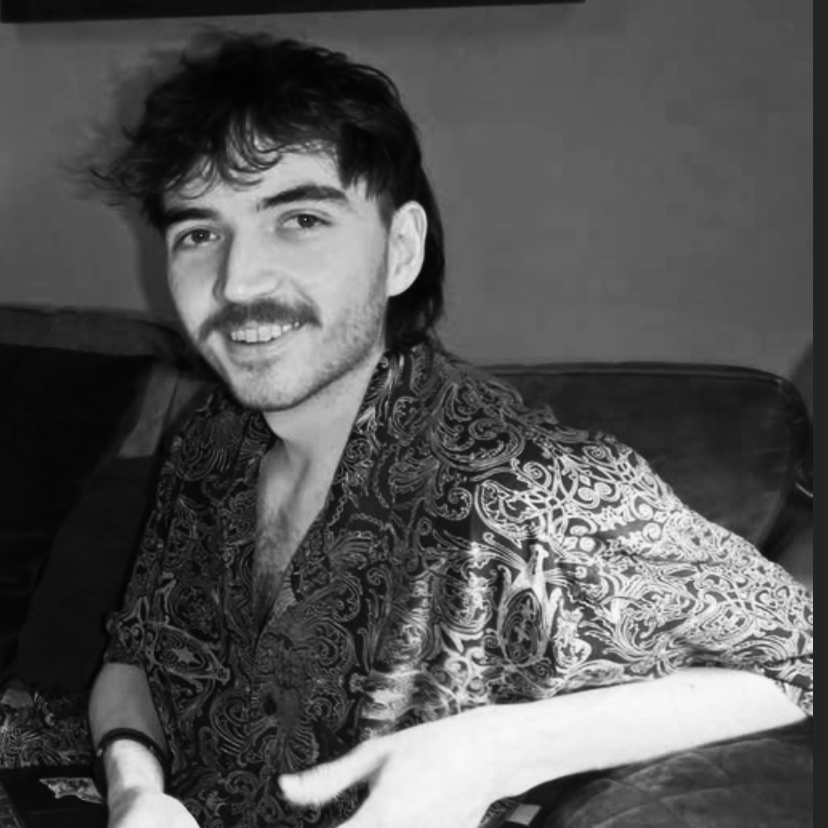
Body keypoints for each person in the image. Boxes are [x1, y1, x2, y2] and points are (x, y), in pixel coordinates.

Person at [87, 31, 813, 828]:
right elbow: (135, 656)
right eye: (199, 233)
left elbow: (802, 655)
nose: (237, 279)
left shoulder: (522, 487)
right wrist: (139, 794)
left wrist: (494, 748)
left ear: (400, 252)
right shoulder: (213, 437)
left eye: (298, 219)